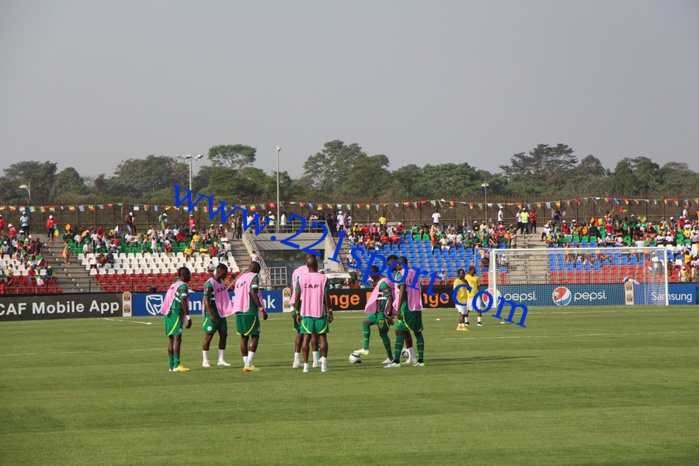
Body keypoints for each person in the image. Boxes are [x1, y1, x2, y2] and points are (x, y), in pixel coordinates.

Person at [295, 255, 332, 373]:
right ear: (317, 265)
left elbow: (296, 297)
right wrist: (330, 311)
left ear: (307, 266)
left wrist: (297, 312)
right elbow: (326, 296)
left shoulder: (301, 278)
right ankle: (323, 365)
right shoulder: (323, 278)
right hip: (320, 312)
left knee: (306, 338)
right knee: (323, 337)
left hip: (306, 312)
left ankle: (306, 366)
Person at [386, 256, 424, 368]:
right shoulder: (415, 273)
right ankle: (420, 361)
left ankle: (396, 361)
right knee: (418, 332)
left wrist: (398, 308)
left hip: (406, 306)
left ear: (399, 264)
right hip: (416, 307)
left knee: (399, 330)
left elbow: (402, 289)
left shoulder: (400, 274)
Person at [231, 261, 268, 372]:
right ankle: (249, 364)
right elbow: (253, 292)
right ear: (257, 270)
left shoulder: (240, 278)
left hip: (238, 310)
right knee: (255, 335)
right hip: (249, 309)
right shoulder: (254, 277)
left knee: (243, 337)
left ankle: (246, 363)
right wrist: (261, 309)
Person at [354, 264, 394, 364]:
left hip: (382, 314)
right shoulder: (380, 282)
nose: (370, 277)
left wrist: (389, 315)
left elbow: (389, 298)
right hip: (376, 313)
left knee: (383, 334)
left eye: (370, 275)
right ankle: (365, 348)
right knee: (365, 323)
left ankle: (390, 357)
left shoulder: (383, 283)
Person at [201, 263, 233, 368]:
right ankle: (205, 360)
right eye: (224, 273)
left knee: (224, 334)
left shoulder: (221, 282)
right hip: (212, 313)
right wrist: (211, 314)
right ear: (218, 272)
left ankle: (221, 359)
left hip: (221, 313)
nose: (225, 275)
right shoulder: (209, 283)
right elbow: (206, 300)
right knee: (209, 336)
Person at [162, 267, 193, 372]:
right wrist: (188, 317)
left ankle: (171, 365)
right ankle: (176, 365)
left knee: (171, 339)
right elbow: (183, 301)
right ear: (185, 275)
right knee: (177, 338)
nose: (190, 277)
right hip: (175, 313)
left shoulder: (174, 284)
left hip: (168, 313)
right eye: (189, 275)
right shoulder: (182, 285)